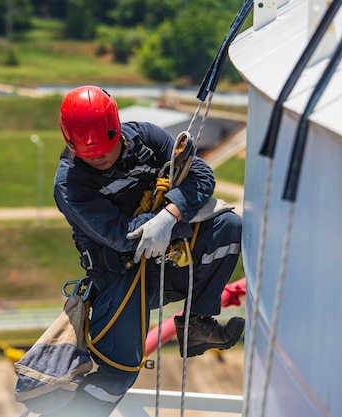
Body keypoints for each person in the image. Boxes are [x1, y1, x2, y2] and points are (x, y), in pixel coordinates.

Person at [48, 85, 244, 416]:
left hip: (165, 262)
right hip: (118, 278)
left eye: (105, 151)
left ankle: (196, 325)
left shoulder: (147, 140)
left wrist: (170, 215)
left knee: (228, 229)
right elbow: (124, 238)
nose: (98, 159)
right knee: (117, 371)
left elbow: (201, 176)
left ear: (116, 129)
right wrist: (177, 213)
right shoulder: (70, 185)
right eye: (88, 155)